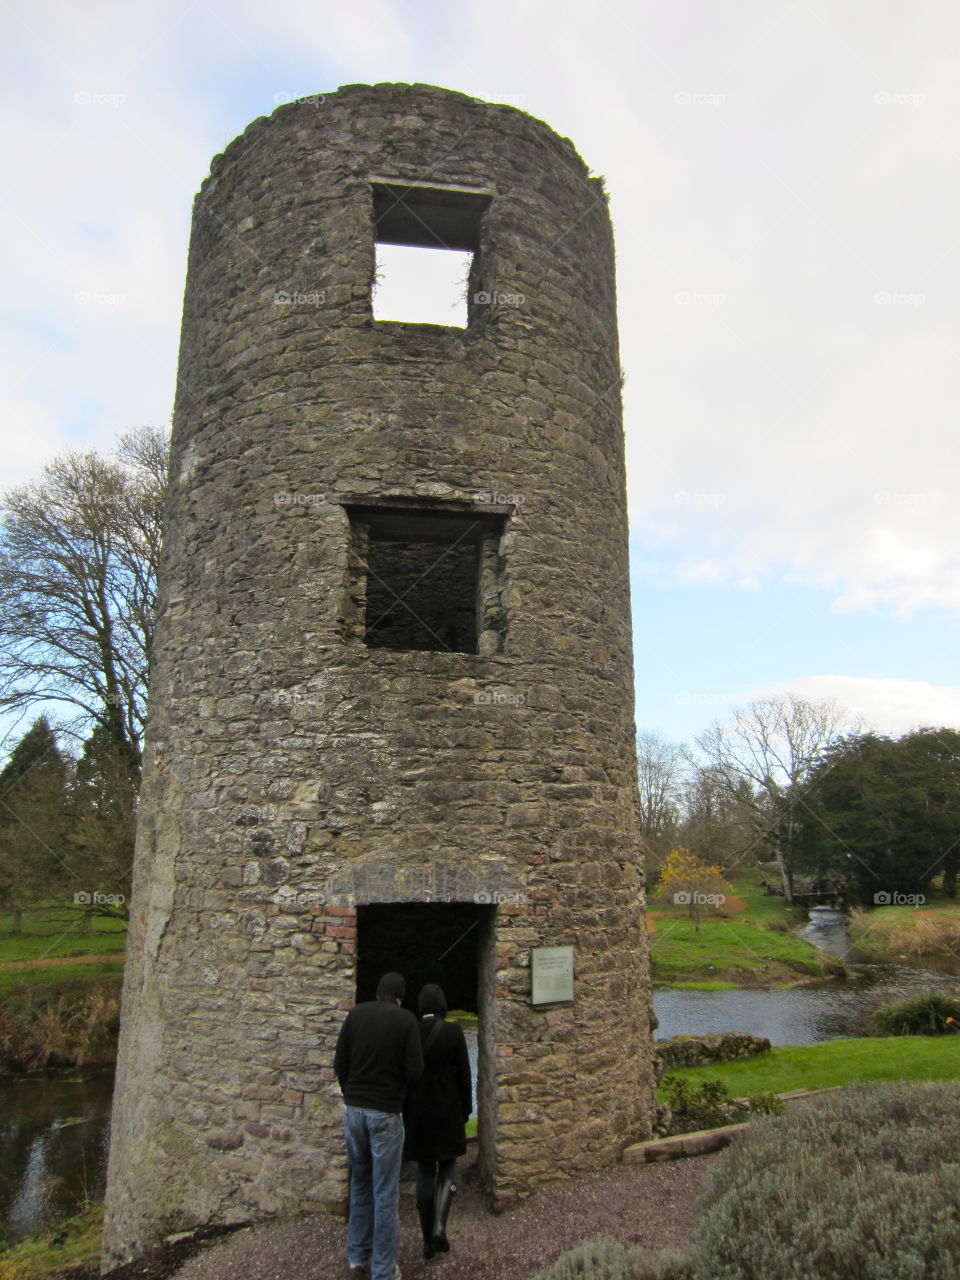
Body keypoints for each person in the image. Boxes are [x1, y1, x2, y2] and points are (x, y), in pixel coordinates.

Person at [334, 971, 424, 1280]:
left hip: (354, 1110)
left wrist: (352, 1093)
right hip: (385, 1112)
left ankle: (357, 1258)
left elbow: (339, 1063)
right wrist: (396, 1093)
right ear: (400, 998)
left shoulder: (356, 1014)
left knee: (359, 1184)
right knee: (386, 1193)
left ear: (377, 994)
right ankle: (384, 1271)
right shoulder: (405, 1020)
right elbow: (415, 1069)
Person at [402, 983, 473, 1260]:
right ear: (442, 1005)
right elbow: (465, 1074)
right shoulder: (453, 1031)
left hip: (418, 1111)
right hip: (447, 1107)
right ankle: (440, 1228)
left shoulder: (411, 1031)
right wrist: (466, 1110)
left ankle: (426, 1238)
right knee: (447, 1166)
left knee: (423, 1169)